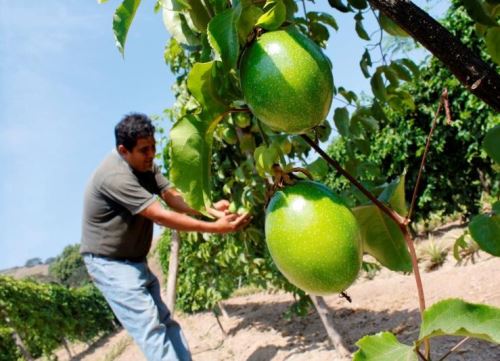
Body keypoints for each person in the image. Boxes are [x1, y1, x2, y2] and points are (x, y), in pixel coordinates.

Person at [80, 113, 250, 361]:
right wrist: (215, 228)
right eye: (144, 150)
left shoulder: (145, 165)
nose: (151, 154)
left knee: (165, 322)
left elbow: (171, 196)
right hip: (110, 264)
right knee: (151, 329)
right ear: (123, 150)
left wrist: (209, 209)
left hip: (134, 260)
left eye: (153, 147)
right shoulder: (115, 176)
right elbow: (159, 215)